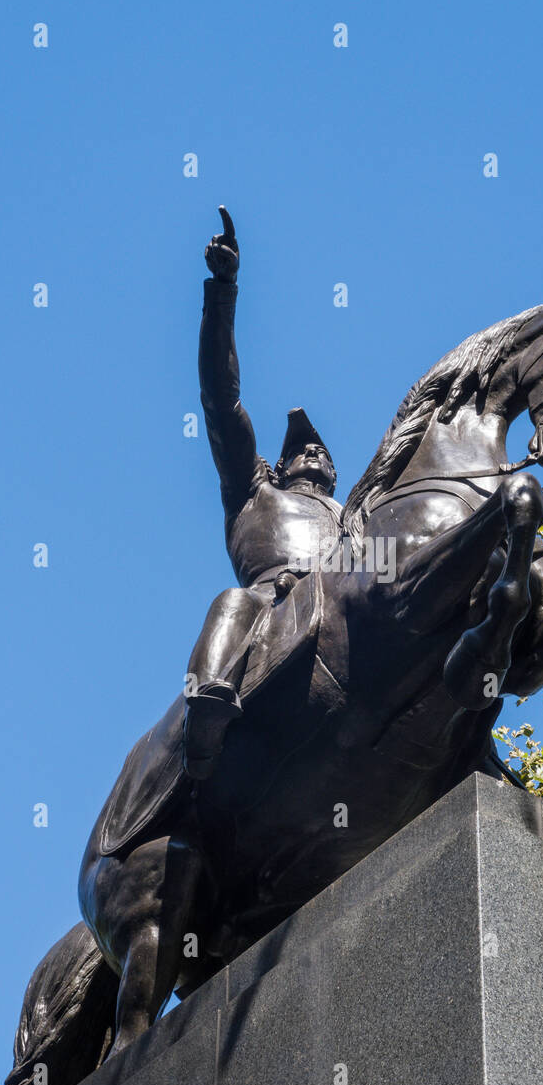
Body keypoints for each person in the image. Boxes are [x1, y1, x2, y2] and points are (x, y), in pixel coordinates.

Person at [183, 208, 342, 779]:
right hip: (270, 603)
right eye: (303, 450)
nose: (317, 453)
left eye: (323, 451)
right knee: (233, 603)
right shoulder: (251, 489)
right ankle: (203, 720)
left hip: (345, 614)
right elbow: (221, 397)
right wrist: (223, 291)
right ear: (277, 468)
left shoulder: (358, 516)